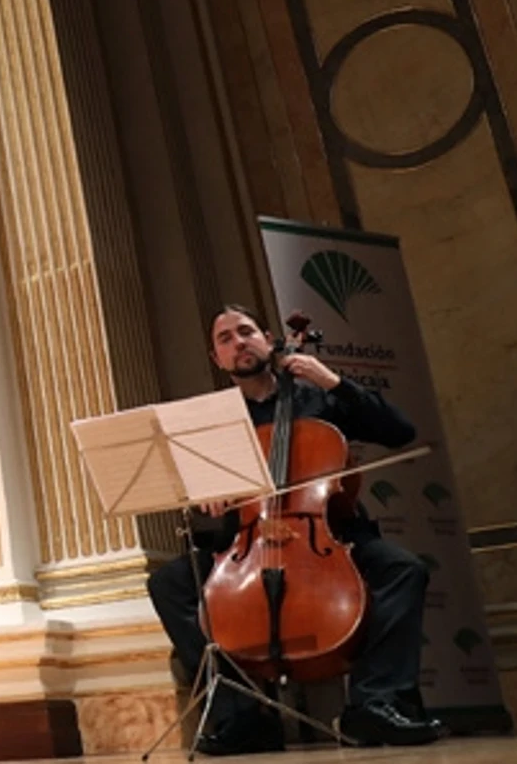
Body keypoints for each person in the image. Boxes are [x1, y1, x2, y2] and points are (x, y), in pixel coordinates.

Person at [146, 305, 442, 755]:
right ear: (217, 359)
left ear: (267, 339)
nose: (238, 342)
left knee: (405, 570)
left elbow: (400, 431)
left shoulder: (319, 400)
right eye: (225, 339)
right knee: (168, 583)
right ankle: (241, 713)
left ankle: (375, 702)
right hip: (247, 542)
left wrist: (332, 381)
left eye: (246, 332)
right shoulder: (217, 423)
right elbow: (204, 493)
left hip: (328, 533)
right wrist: (210, 492)